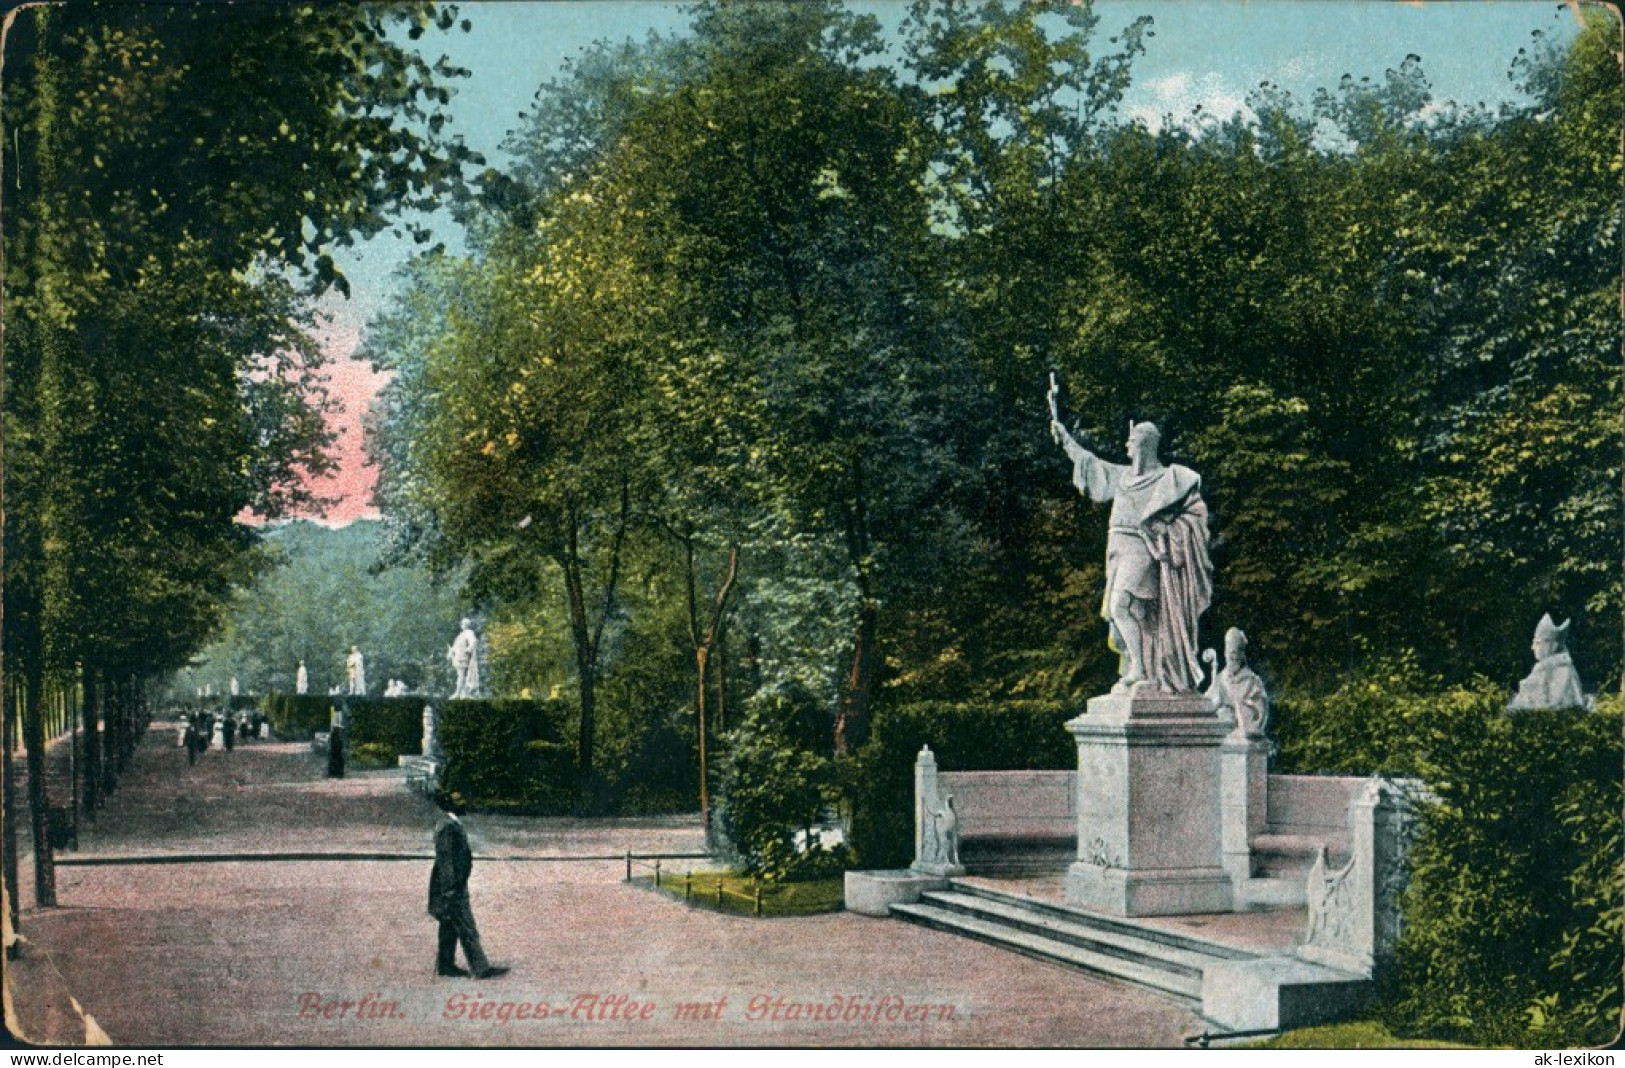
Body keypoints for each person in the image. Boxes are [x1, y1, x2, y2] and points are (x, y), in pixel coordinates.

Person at [1049, 378, 1213, 694]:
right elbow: (1090, 464)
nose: (1127, 446)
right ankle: (1144, 667)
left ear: (1146, 445)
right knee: (1123, 613)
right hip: (1117, 548)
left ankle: (1140, 669)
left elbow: (1196, 517)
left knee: (1120, 604)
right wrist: (1065, 437)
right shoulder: (1123, 477)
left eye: (1132, 441)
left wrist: (1167, 532)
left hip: (1142, 548)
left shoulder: (1171, 479)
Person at [428, 799, 507, 979]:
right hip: (453, 887)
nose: (465, 805)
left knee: (449, 925)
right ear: (452, 805)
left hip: (453, 884)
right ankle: (481, 968)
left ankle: (445, 965)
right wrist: (450, 890)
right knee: (466, 926)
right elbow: (446, 861)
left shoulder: (450, 823)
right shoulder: (447, 826)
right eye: (461, 802)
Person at [1509, 614, 1592, 712]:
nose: (1532, 647)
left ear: (1552, 645)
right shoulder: (1543, 669)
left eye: (1538, 643)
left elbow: (1555, 706)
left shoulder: (1563, 671)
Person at [449, 620, 480, 699]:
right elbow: (456, 646)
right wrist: (451, 652)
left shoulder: (469, 632)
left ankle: (459, 692)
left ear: (466, 624)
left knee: (462, 676)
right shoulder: (461, 635)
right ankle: (463, 692)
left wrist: (468, 649)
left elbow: (473, 641)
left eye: (463, 623)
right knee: (461, 676)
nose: (461, 625)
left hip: (464, 658)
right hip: (459, 658)